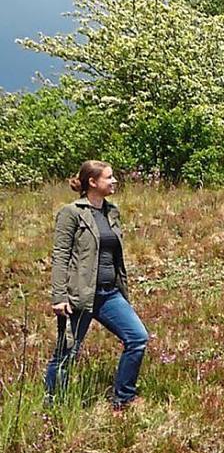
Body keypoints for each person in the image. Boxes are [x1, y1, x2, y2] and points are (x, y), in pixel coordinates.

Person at [45, 160, 149, 411]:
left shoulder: (111, 212)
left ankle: (124, 398)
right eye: (109, 177)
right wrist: (60, 296)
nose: (114, 181)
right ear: (92, 182)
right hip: (80, 296)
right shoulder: (72, 213)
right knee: (66, 353)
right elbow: (60, 256)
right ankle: (54, 404)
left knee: (137, 338)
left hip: (109, 294)